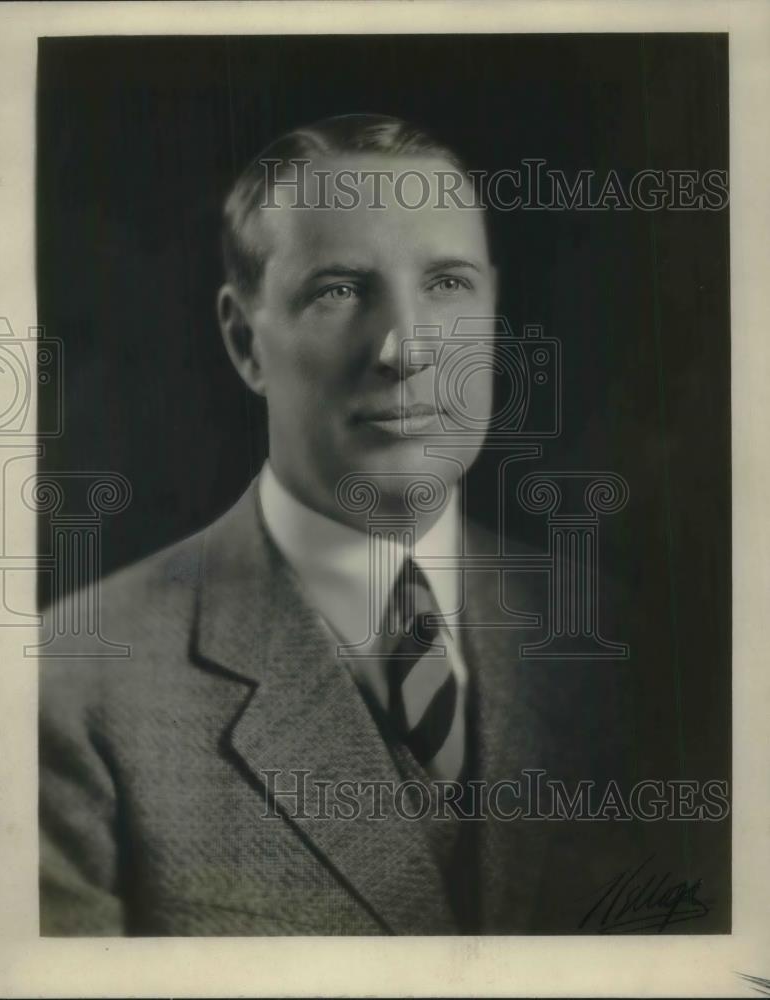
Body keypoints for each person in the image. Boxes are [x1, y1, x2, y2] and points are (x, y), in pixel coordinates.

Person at [39, 114, 633, 936]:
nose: (405, 348)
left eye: (448, 284)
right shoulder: (67, 686)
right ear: (246, 340)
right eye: (340, 290)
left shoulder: (630, 645)